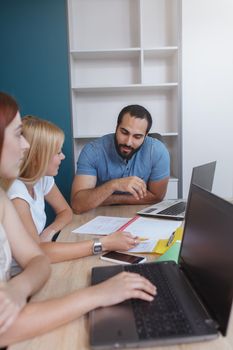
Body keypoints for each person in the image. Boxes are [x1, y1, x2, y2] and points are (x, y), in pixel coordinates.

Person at [0, 92, 156, 347]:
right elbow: (6, 330)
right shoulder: (14, 195)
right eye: (18, 134)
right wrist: (98, 293)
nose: (26, 145)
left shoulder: (4, 199)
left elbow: (39, 258)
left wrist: (19, 288)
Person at [7, 116, 140, 269]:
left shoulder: (41, 179)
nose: (63, 157)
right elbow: (38, 253)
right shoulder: (16, 193)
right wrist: (103, 243)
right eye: (58, 152)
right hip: (16, 275)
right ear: (39, 157)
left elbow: (65, 211)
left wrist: (48, 232)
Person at [71, 104, 170, 214]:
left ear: (146, 136)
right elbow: (77, 205)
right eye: (124, 132)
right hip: (98, 216)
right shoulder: (92, 151)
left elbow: (157, 197)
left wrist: (112, 199)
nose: (128, 142)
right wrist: (114, 185)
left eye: (137, 136)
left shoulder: (158, 151)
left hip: (139, 216)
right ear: (116, 127)